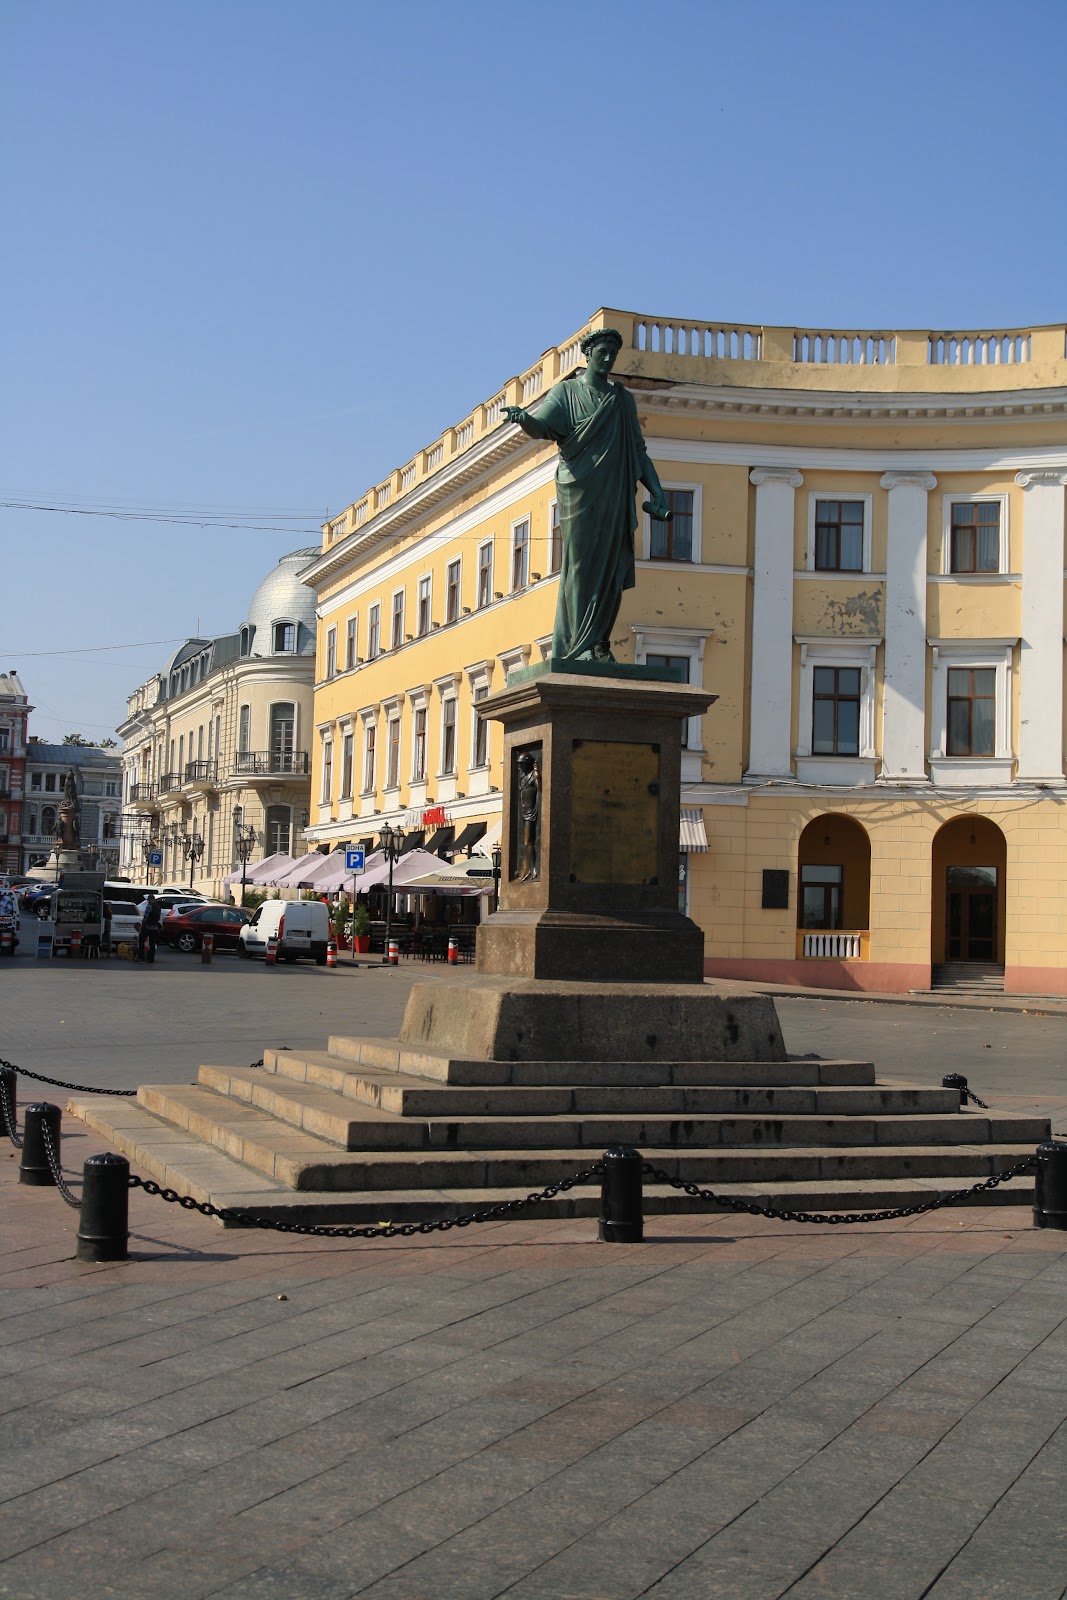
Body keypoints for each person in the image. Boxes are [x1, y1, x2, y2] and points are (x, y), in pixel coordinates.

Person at [502, 327, 671, 663]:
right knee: (581, 567)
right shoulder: (566, 392)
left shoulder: (621, 400)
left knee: (610, 568)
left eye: (612, 353)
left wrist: (659, 492)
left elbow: (638, 452)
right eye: (602, 353)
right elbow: (544, 427)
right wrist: (524, 420)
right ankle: (578, 645)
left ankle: (598, 644)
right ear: (589, 355)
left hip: (616, 492)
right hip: (579, 490)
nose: (608, 359)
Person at [137, 892, 162, 964]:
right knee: (152, 943)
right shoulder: (158, 906)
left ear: (150, 900)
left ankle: (140, 957)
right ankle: (151, 959)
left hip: (148, 926)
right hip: (155, 927)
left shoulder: (149, 906)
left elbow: (146, 917)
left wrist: (143, 924)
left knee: (141, 940)